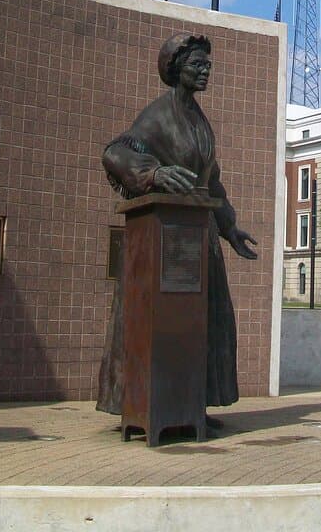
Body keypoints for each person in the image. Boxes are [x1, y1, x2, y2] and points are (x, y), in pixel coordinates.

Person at [96, 32, 257, 422]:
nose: (205, 72)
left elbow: (211, 181)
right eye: (197, 65)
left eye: (208, 66)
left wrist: (229, 227)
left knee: (206, 323)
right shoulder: (158, 115)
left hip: (200, 236)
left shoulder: (200, 121)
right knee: (166, 324)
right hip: (166, 238)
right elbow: (114, 152)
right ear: (176, 68)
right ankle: (146, 404)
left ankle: (192, 403)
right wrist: (154, 173)